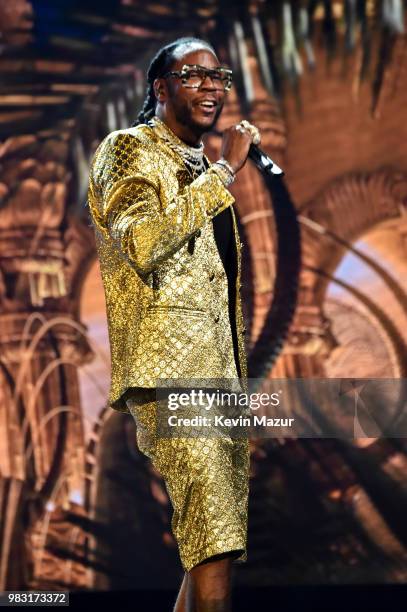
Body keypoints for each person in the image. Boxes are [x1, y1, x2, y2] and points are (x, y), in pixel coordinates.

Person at [87, 36, 260, 612]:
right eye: (195, 76)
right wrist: (225, 173)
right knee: (211, 532)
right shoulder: (128, 150)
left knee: (218, 539)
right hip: (171, 373)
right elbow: (142, 240)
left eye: (219, 78)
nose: (212, 88)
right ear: (160, 88)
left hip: (221, 377)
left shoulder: (201, 165)